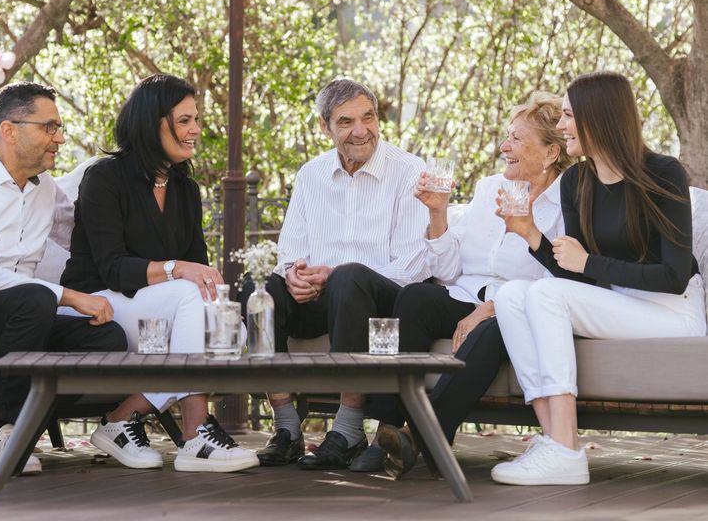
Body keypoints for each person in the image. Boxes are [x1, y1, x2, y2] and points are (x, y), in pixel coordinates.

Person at [492, 71, 706, 486]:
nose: (560, 126)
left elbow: (675, 276)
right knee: (514, 294)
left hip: (672, 312)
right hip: (618, 303)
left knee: (546, 294)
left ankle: (566, 450)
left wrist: (589, 262)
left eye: (569, 115)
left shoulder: (663, 173)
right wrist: (531, 234)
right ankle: (554, 438)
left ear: (598, 116)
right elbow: (580, 280)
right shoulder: (578, 181)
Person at [362, 91, 572, 477]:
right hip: (464, 294)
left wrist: (487, 310)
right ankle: (386, 431)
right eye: (506, 136)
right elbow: (448, 267)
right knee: (415, 297)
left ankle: (423, 436)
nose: (503, 147)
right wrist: (438, 213)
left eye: (517, 140)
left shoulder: (567, 202)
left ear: (550, 154)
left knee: (491, 331)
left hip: (515, 308)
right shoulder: (489, 187)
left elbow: (556, 279)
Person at [0, 81, 128, 473]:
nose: (60, 138)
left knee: (108, 338)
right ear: (9, 130)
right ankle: (6, 432)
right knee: (36, 299)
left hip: (24, 320)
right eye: (49, 127)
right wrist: (69, 296)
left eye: (59, 127)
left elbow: (86, 242)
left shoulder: (46, 190)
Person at [60, 73, 258, 473]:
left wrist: (215, 298)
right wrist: (176, 269)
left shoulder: (186, 188)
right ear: (153, 122)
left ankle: (123, 418)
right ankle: (196, 434)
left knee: (211, 308)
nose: (196, 130)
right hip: (94, 304)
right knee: (190, 296)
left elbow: (198, 267)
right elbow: (112, 267)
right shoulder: (104, 178)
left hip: (156, 310)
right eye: (185, 120)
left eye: (197, 120)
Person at [250, 78, 431, 471]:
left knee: (349, 277)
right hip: (321, 296)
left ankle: (348, 431)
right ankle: (286, 428)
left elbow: (414, 265)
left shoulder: (409, 171)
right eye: (346, 122)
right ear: (324, 127)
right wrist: (295, 274)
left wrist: (335, 276)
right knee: (259, 289)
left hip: (382, 300)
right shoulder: (310, 175)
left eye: (368, 118)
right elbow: (291, 249)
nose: (360, 131)